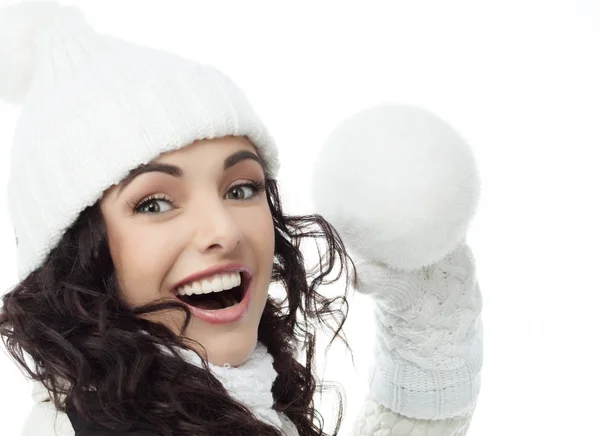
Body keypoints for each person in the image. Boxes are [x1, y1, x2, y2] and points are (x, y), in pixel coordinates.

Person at [0, 2, 483, 435]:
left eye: (241, 189)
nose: (224, 231)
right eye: (154, 204)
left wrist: (427, 310)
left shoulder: (223, 399)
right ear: (77, 255)